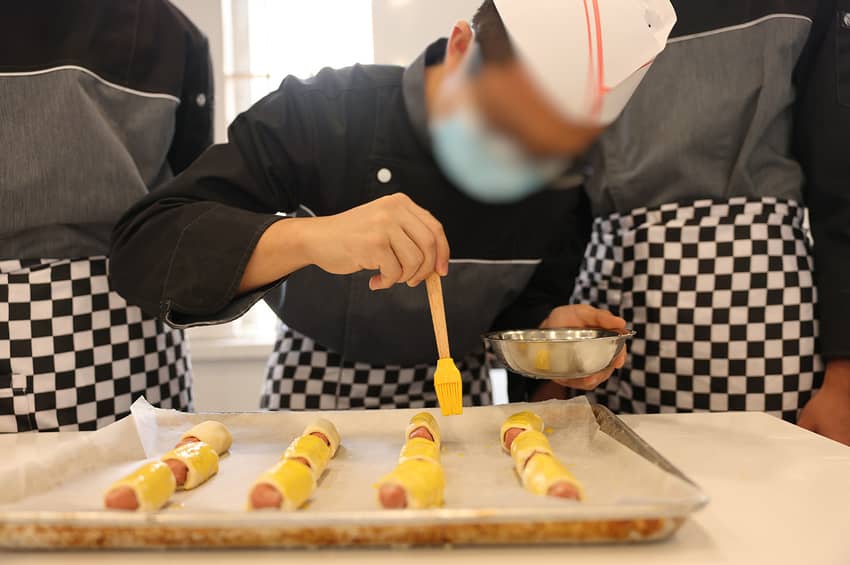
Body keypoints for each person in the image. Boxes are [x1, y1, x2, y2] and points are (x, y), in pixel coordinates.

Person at [109, 1, 674, 411]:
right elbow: (147, 245)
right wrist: (313, 238)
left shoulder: (563, 186)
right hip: (313, 402)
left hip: (465, 411)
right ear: (460, 50)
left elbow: (523, 322)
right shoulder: (326, 113)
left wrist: (551, 347)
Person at [513, 1, 850, 446]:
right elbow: (557, 204)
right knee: (619, 498)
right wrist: (544, 347)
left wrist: (844, 378)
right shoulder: (576, 12)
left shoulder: (804, 8)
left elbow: (840, 189)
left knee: (765, 497)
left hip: (761, 323)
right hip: (610, 322)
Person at [0, 0, 212, 432]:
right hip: (135, 326)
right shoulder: (172, 30)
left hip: (130, 314)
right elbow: (194, 204)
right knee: (146, 490)